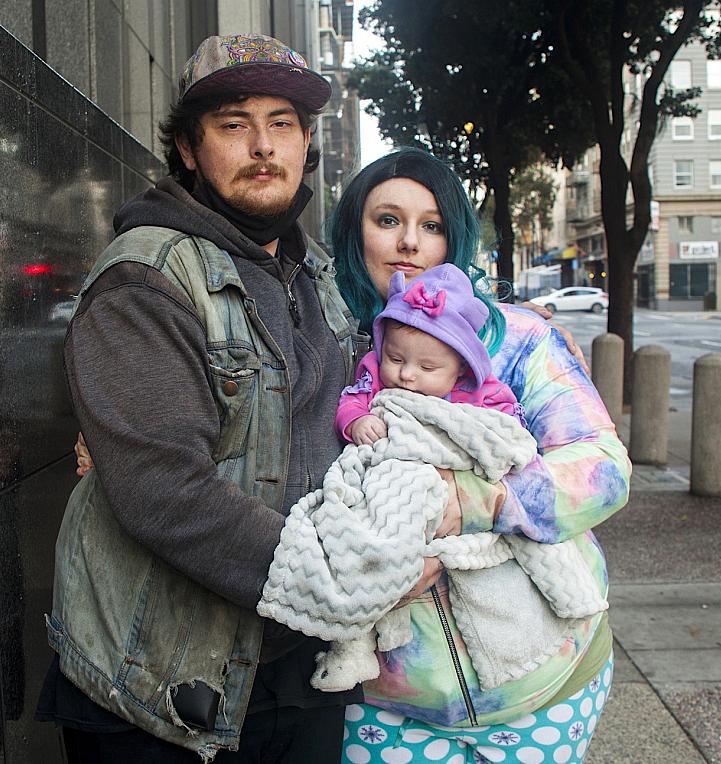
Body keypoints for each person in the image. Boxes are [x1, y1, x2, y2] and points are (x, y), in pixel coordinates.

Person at [37, 33, 367, 762]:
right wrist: (341, 578)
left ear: (306, 142)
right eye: (233, 124)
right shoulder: (146, 277)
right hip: (163, 687)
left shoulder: (312, 273)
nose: (262, 145)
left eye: (282, 123)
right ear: (188, 149)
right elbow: (166, 491)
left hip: (296, 669)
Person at [327, 148, 630, 763]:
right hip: (383, 704)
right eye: (388, 220)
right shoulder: (321, 341)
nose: (410, 241)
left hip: (547, 684)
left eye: (432, 225)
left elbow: (602, 470)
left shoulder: (518, 337)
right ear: (353, 230)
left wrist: (468, 500)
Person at [335, 262, 522, 447]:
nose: (406, 375)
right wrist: (356, 421)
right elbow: (350, 403)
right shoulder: (375, 375)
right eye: (395, 358)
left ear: (462, 366)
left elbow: (509, 427)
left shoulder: (481, 392)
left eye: (427, 367)